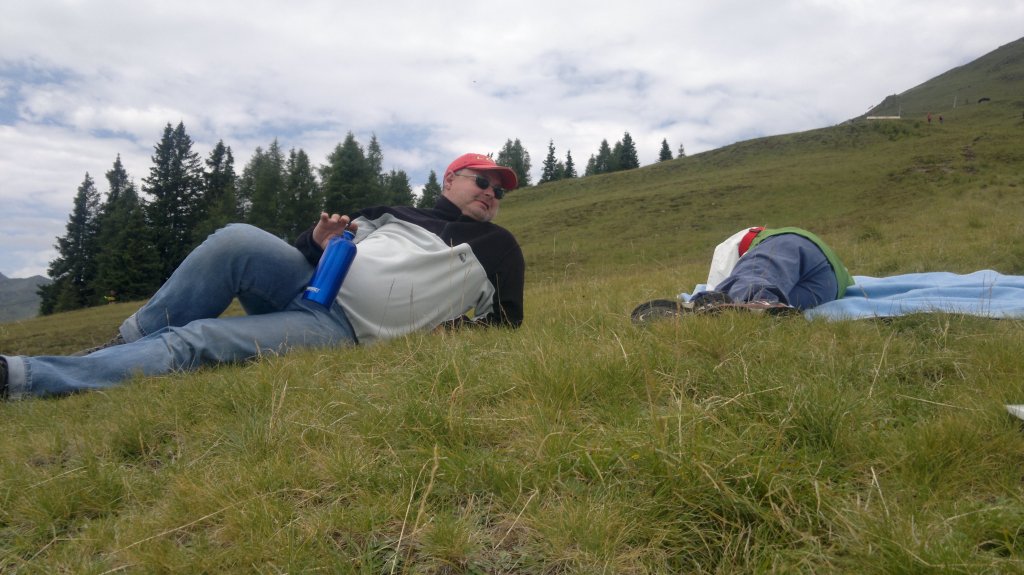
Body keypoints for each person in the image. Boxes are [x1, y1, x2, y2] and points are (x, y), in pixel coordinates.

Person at [1, 153, 525, 399]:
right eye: (482, 182)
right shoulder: (390, 212)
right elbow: (310, 250)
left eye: (499, 192)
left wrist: (452, 331)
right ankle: (121, 346)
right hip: (311, 283)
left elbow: (505, 322)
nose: (491, 195)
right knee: (236, 239)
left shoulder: (498, 247)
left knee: (198, 340)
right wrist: (316, 240)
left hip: (340, 326)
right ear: (450, 179)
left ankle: (22, 378)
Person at [631, 226, 852, 323]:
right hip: (828, 289)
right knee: (778, 303)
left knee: (754, 278)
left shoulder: (766, 241)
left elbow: (724, 280)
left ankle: (753, 301)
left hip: (795, 245)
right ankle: (759, 309)